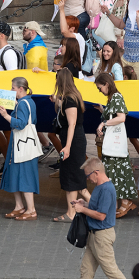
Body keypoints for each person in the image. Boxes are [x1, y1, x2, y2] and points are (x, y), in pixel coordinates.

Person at [59, 158, 131, 279]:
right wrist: (84, 204)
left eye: (88, 175)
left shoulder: (106, 190)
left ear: (96, 173)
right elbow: (96, 207)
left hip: (101, 237)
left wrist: (82, 210)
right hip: (94, 236)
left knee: (111, 271)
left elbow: (101, 216)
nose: (87, 179)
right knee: (86, 269)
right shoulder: (100, 187)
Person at [0, 76, 40, 221]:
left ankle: (31, 210)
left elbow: (20, 124)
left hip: (21, 145)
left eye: (13, 88)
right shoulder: (28, 101)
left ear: (20, 89)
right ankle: (19, 206)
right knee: (15, 173)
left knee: (23, 175)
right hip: (22, 145)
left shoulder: (22, 104)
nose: (11, 90)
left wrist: (5, 116)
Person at [94, 73, 138, 218]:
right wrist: (103, 110)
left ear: (106, 84)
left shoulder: (116, 97)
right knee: (117, 172)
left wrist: (103, 122)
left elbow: (121, 117)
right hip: (114, 144)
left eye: (100, 88)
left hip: (115, 144)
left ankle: (124, 202)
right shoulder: (113, 98)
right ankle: (122, 202)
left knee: (116, 171)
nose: (100, 91)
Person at [51, 68, 90, 221]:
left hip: (73, 141)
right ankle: (72, 212)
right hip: (73, 140)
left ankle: (75, 212)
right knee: (73, 177)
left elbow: (72, 124)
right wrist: (57, 101)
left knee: (74, 177)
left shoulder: (69, 100)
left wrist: (67, 146)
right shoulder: (71, 97)